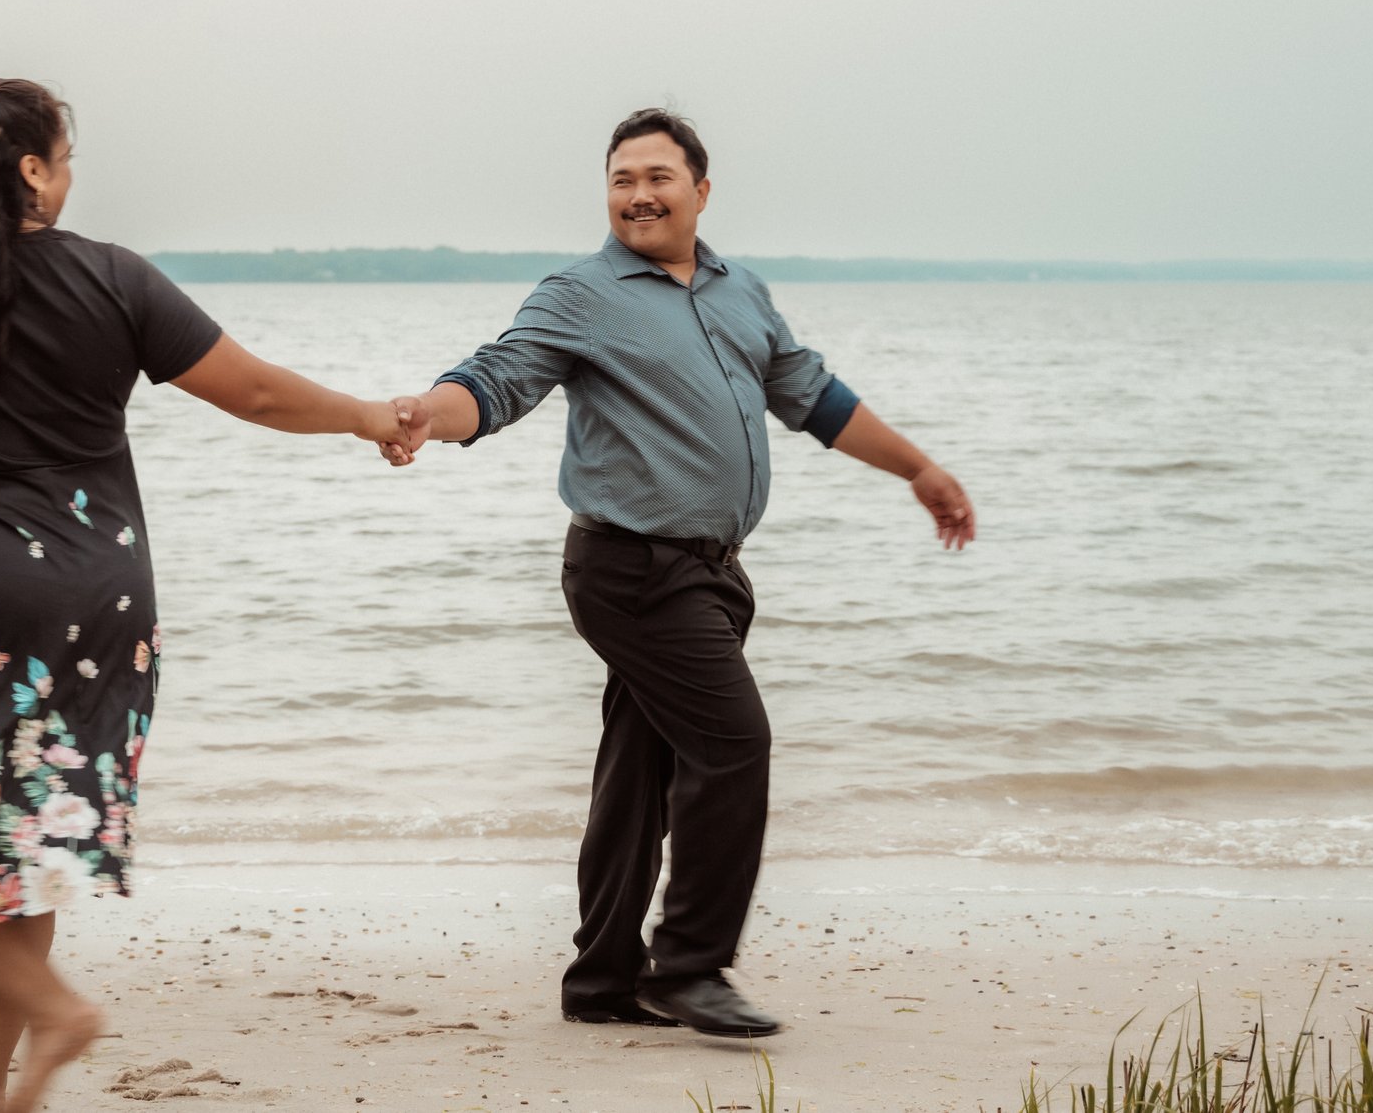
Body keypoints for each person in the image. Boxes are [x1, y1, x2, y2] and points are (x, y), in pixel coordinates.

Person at [0, 78, 415, 1113]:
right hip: (96, 600)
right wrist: (367, 415)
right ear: (35, 168)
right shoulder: (114, 278)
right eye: (67, 153)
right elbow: (257, 390)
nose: (73, 171)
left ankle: (56, 1008)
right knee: (22, 836)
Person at [386, 108, 975, 1038]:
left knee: (639, 774)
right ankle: (692, 965)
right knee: (735, 743)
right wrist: (432, 411)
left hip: (712, 572)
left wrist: (919, 469)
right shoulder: (582, 293)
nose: (639, 194)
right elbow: (499, 378)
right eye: (622, 178)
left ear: (702, 190)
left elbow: (813, 397)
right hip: (630, 572)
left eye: (658, 177)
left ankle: (604, 978)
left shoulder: (741, 292)